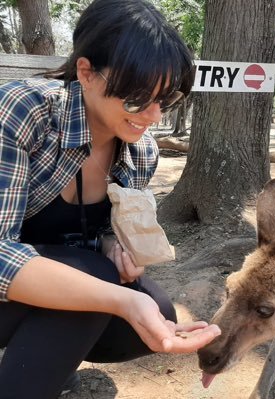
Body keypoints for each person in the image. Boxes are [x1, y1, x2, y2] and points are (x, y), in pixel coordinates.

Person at [0, 1, 221, 398]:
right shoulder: (24, 112)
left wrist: (112, 245)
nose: (152, 116)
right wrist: (117, 298)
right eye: (137, 99)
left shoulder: (141, 152)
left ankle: (49, 358)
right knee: (103, 283)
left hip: (50, 279)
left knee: (154, 308)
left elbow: (94, 233)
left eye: (166, 100)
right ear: (86, 72)